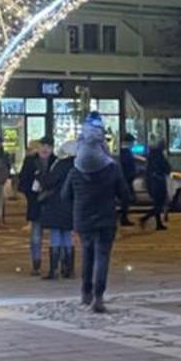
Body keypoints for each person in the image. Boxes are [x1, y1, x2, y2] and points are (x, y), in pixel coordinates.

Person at [72, 117, 128, 312]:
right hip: (105, 219)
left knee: (87, 254)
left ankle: (85, 293)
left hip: (83, 219)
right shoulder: (112, 168)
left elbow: (65, 195)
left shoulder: (76, 169)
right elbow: (126, 194)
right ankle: (98, 297)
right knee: (102, 256)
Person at [38, 140, 77, 280]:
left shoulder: (61, 164)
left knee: (55, 235)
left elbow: (50, 182)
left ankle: (53, 270)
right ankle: (69, 269)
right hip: (73, 204)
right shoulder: (80, 165)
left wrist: (41, 178)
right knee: (68, 235)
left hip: (57, 203)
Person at [17, 137, 52, 274]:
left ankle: (56, 264)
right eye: (43, 146)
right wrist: (31, 191)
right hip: (36, 202)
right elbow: (23, 181)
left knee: (55, 236)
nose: (45, 149)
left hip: (52, 204)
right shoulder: (30, 161)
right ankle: (36, 263)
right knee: (36, 236)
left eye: (48, 146)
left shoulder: (56, 161)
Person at [140, 139, 172, 231]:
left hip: (152, 182)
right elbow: (167, 169)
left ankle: (158, 224)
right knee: (160, 205)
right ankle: (145, 218)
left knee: (157, 204)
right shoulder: (159, 156)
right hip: (159, 181)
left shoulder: (151, 156)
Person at [117, 133, 140, 225]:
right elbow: (127, 167)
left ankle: (123, 216)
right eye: (132, 142)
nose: (133, 144)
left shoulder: (124, 152)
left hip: (126, 179)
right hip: (126, 179)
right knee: (126, 199)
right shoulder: (125, 153)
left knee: (128, 199)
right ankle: (123, 217)